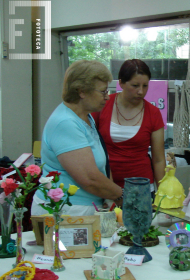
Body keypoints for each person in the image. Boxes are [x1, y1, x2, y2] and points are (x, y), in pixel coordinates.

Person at [31, 60, 123, 216]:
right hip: (64, 210)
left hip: (83, 208)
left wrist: (110, 197)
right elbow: (89, 179)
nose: (107, 97)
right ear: (81, 91)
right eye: (102, 91)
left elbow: (102, 166)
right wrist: (122, 196)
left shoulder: (85, 117)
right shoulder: (65, 123)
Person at [92, 59, 165, 196]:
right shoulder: (102, 105)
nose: (140, 91)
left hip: (141, 186)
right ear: (121, 83)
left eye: (145, 86)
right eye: (135, 85)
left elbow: (159, 159)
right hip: (106, 185)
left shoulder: (153, 113)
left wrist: (163, 194)